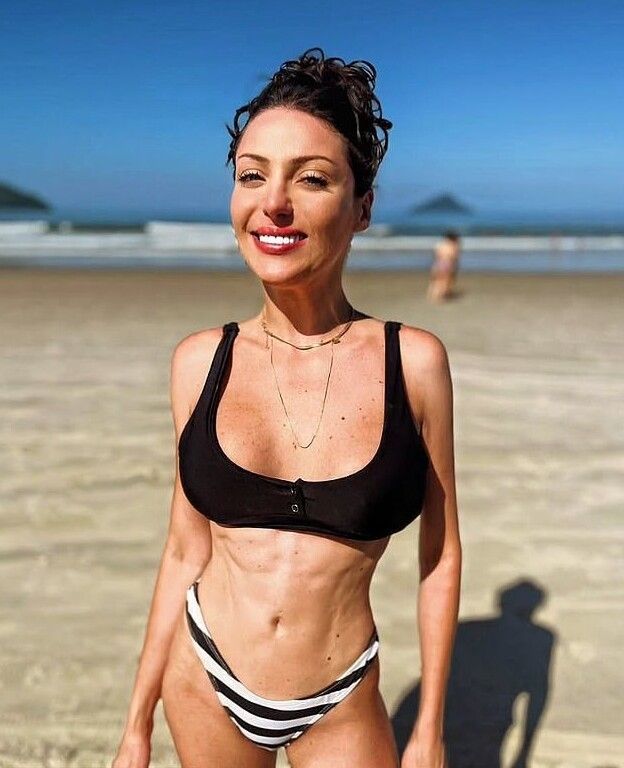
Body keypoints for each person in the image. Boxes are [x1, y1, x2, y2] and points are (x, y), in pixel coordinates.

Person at [112, 47, 461, 768]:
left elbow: (441, 554)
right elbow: (184, 549)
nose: (274, 202)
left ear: (362, 208)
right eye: (252, 175)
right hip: (203, 675)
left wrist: (429, 729)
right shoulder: (199, 362)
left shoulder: (413, 362)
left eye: (312, 178)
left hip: (340, 693)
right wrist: (136, 724)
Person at [427, 231, 461, 302]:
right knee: (445, 281)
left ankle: (432, 295)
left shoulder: (440, 245)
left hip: (438, 263)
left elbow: (436, 255)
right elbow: (454, 257)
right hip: (447, 263)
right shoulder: (453, 246)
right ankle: (440, 296)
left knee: (436, 280)